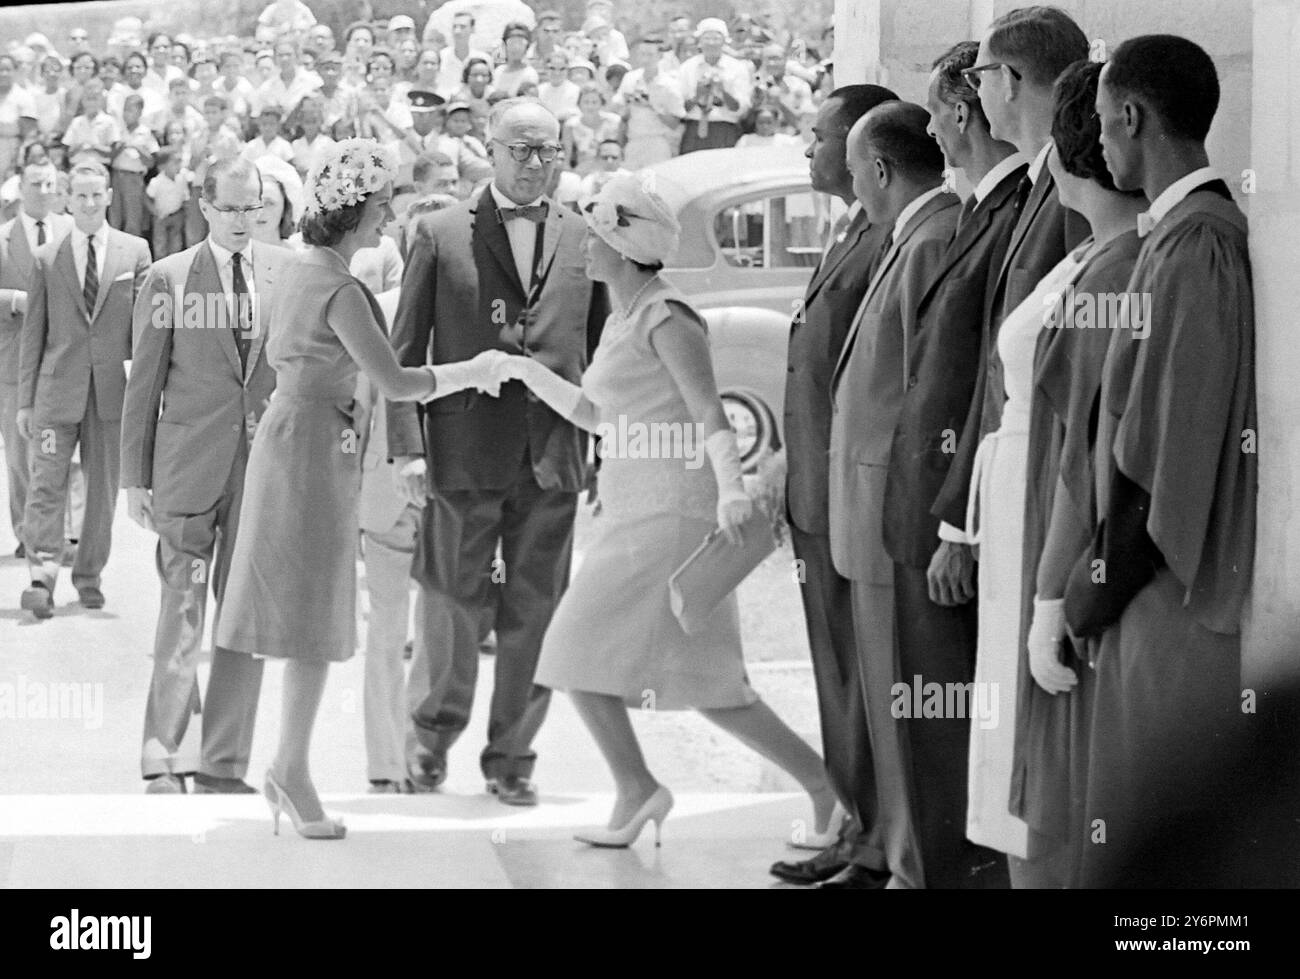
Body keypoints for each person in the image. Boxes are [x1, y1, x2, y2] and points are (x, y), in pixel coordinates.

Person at [493, 170, 836, 846]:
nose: (584, 247)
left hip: (671, 516)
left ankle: (640, 788)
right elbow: (598, 413)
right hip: (636, 510)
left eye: (594, 236)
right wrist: (527, 374)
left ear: (620, 248)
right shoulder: (629, 312)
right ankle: (821, 786)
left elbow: (711, 410)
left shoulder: (666, 313)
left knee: (568, 649)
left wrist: (735, 490)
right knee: (711, 683)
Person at [215, 139, 504, 838]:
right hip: (309, 450)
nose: (388, 220)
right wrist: (479, 368)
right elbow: (398, 380)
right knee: (310, 614)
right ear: (351, 210)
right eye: (379, 207)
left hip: (301, 442)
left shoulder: (304, 270)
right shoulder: (338, 286)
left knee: (305, 613)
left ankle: (289, 766)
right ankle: (290, 770)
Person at [1065, 34, 1257, 888]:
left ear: (1133, 117)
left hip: (1164, 587)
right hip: (1146, 579)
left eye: (1104, 125)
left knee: (1160, 844)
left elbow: (1172, 445)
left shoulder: (1199, 247)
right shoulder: (1175, 237)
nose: (1100, 147)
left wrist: (1099, 580)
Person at [387, 99, 609, 806]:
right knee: (451, 597)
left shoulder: (587, 237)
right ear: (490, 148)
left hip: (553, 455)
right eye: (521, 149)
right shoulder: (439, 231)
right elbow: (402, 352)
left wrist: (603, 445)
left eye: (547, 150)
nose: (535, 163)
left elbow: (603, 355)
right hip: (460, 449)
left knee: (535, 609)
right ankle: (430, 736)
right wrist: (407, 450)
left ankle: (512, 754)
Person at [926, 6, 1089, 879]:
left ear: (1011, 82)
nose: (975, 92)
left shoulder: (1071, 183)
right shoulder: (1039, 179)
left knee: (1029, 739)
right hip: (1007, 486)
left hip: (1040, 489)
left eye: (981, 75)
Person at [878, 41, 1026, 889]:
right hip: (931, 498)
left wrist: (955, 523)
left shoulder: (1005, 214)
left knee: (954, 717)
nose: (931, 130)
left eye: (937, 112)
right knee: (934, 720)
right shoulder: (977, 209)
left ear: (966, 112)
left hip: (954, 506)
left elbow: (985, 386)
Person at [1001, 57, 1145, 887]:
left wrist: (1052, 593)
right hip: (1032, 517)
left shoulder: (1121, 268)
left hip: (1063, 538)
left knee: (1060, 782)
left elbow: (1083, 454)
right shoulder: (1096, 256)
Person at [756, 83, 897, 888]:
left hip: (852, 493)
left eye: (819, 138)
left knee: (866, 676)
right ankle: (854, 823)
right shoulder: (854, 227)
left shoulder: (891, 235)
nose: (808, 151)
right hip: (816, 484)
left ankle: (877, 838)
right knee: (837, 672)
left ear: (858, 150)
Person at [122, 157, 297, 794]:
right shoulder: (168, 279)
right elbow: (143, 385)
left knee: (242, 614)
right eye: (229, 208)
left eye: (254, 207)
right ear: (204, 205)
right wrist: (134, 479)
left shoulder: (286, 272)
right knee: (183, 607)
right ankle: (162, 748)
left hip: (261, 472)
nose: (243, 219)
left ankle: (222, 760)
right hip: (186, 470)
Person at [826, 101, 960, 888]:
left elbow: (925, 387)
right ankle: (889, 849)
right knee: (882, 700)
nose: (852, 189)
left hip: (890, 510)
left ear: (880, 170)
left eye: (854, 173)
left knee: (902, 704)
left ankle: (912, 865)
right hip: (865, 507)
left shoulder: (932, 235)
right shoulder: (906, 232)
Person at [17, 161, 152, 618]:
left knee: (102, 489)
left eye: (98, 195)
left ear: (111, 196)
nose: (90, 203)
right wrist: (25, 401)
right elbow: (34, 332)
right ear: (66, 200)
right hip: (57, 392)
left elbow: (147, 330)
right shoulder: (47, 257)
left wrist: (148, 395)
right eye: (81, 196)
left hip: (113, 394)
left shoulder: (135, 252)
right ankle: (42, 574)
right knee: (45, 482)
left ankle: (89, 575)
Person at [0, 161, 73, 558]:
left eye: (50, 183)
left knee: (60, 451)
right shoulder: (3, 238)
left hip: (62, 360)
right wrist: (15, 301)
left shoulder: (71, 233)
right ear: (21, 188)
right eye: (35, 183)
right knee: (19, 455)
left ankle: (57, 532)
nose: (43, 190)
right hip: (13, 363)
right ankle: (27, 533)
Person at [677, 19, 751, 153]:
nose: (711, 43)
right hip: (694, 128)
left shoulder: (737, 68)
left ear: (724, 41)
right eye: (707, 38)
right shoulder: (687, 67)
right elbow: (680, 108)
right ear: (699, 41)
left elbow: (740, 108)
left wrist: (722, 92)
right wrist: (698, 96)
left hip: (724, 130)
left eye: (716, 38)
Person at [612, 36, 683, 168]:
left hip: (657, 142)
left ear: (660, 56)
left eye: (650, 54)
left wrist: (652, 106)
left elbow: (675, 123)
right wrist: (628, 104)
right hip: (633, 140)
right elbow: (618, 108)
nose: (646, 59)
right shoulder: (630, 78)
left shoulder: (670, 84)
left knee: (653, 184)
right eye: (642, 54)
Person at [562, 84, 621, 177]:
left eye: (594, 102)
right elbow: (566, 159)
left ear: (601, 103)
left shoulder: (614, 121)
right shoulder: (571, 125)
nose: (590, 106)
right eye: (586, 102)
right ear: (579, 104)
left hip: (610, 171)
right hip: (583, 172)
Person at [146, 148, 191, 258]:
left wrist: (185, 212)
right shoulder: (157, 182)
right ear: (163, 166)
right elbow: (147, 198)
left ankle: (174, 270)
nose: (177, 165)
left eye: (178, 162)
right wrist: (155, 212)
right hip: (161, 218)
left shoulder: (181, 179)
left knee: (176, 245)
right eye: (174, 162)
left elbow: (185, 197)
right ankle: (160, 270)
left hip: (177, 216)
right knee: (160, 245)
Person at [0, 55, 38, 181]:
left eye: (7, 69)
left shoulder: (23, 97)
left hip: (11, 152)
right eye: (0, 70)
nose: (3, 74)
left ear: (15, 71)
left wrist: (19, 158)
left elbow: (30, 134)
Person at [494, 23, 540, 98]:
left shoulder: (529, 74)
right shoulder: (498, 71)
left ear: (527, 46)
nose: (516, 47)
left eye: (520, 43)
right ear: (505, 44)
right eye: (512, 42)